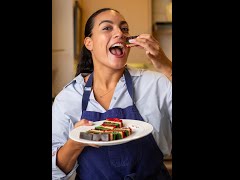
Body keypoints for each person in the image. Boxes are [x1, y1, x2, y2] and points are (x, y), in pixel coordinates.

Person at [52, 8, 172, 180]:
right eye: (107, 28)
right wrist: (75, 142)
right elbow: (54, 173)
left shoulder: (156, 84)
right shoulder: (68, 98)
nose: (120, 34)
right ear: (89, 43)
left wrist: (166, 66)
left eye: (124, 29)